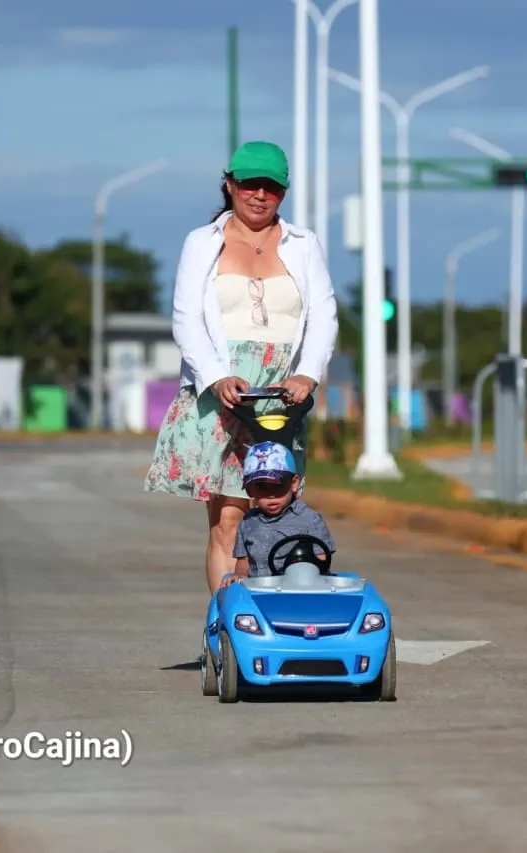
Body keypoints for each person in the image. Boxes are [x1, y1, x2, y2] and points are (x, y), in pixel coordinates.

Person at [142, 140, 339, 594]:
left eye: (271, 187)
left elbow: (324, 315)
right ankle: (228, 628)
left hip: (282, 395)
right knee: (229, 517)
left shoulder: (304, 244)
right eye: (250, 184)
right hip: (223, 391)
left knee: (276, 509)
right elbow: (186, 317)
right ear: (230, 185)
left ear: (283, 194)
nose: (259, 195)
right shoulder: (202, 241)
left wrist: (307, 374)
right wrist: (216, 376)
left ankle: (272, 620)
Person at [222, 441, 335, 587]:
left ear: (293, 483)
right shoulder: (248, 522)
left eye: (278, 486)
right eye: (262, 487)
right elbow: (244, 561)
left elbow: (322, 561)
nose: (271, 495)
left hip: (301, 591)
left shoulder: (310, 520)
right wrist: (240, 576)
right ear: (250, 491)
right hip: (259, 593)